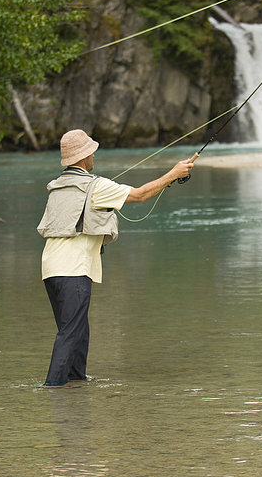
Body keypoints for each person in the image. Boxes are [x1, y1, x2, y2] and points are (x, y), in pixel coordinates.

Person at [37, 129, 194, 388]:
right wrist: (173, 175)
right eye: (92, 151)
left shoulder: (57, 187)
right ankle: (53, 388)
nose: (94, 154)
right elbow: (141, 194)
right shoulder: (97, 186)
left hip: (50, 269)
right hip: (73, 270)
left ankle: (76, 381)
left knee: (78, 328)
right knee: (70, 331)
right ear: (85, 156)